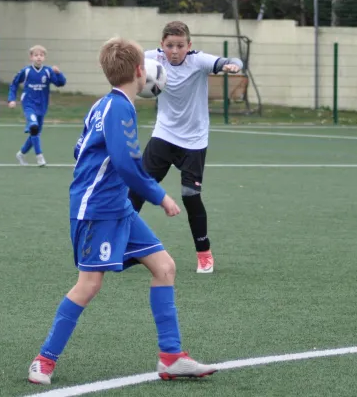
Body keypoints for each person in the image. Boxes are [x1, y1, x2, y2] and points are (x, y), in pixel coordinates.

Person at [27, 37, 217, 385]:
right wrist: (161, 197)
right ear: (140, 72)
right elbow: (128, 165)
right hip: (97, 210)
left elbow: (78, 148)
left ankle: (171, 357)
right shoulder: (120, 109)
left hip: (117, 208)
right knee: (88, 285)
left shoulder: (101, 105)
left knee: (164, 267)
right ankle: (44, 360)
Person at [128, 21, 243, 274]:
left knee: (190, 196)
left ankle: (204, 253)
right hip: (164, 135)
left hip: (194, 141)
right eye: (170, 46)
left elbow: (230, 61)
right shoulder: (152, 59)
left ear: (188, 46)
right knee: (137, 189)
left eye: (180, 46)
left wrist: (233, 65)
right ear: (162, 46)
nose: (175, 51)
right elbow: (127, 55)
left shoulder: (198, 61)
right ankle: (123, 245)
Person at [8, 45, 66, 167]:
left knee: (35, 133)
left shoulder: (48, 71)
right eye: (36, 55)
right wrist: (11, 99)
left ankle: (21, 153)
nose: (38, 57)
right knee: (34, 127)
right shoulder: (26, 71)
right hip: (28, 104)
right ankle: (39, 156)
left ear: (44, 57)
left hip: (42, 106)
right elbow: (14, 84)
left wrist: (59, 73)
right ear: (31, 57)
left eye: (41, 55)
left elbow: (60, 83)